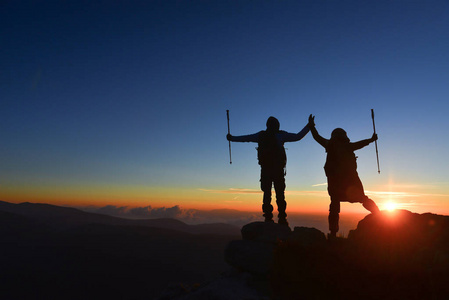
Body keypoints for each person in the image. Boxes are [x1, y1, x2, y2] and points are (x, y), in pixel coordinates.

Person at [227, 116, 310, 225]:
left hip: (265, 169)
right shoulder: (281, 135)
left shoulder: (261, 135)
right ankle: (282, 217)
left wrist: (232, 138)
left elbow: (246, 138)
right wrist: (309, 126)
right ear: (277, 125)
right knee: (280, 193)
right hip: (278, 169)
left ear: (267, 125)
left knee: (267, 193)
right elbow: (298, 136)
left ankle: (268, 217)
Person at [308, 114, 380, 238]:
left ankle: (333, 232)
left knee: (334, 205)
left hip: (335, 185)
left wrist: (311, 126)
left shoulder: (329, 145)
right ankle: (379, 215)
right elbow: (360, 144)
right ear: (345, 136)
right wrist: (371, 139)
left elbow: (316, 137)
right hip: (351, 183)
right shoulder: (348, 146)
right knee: (363, 199)